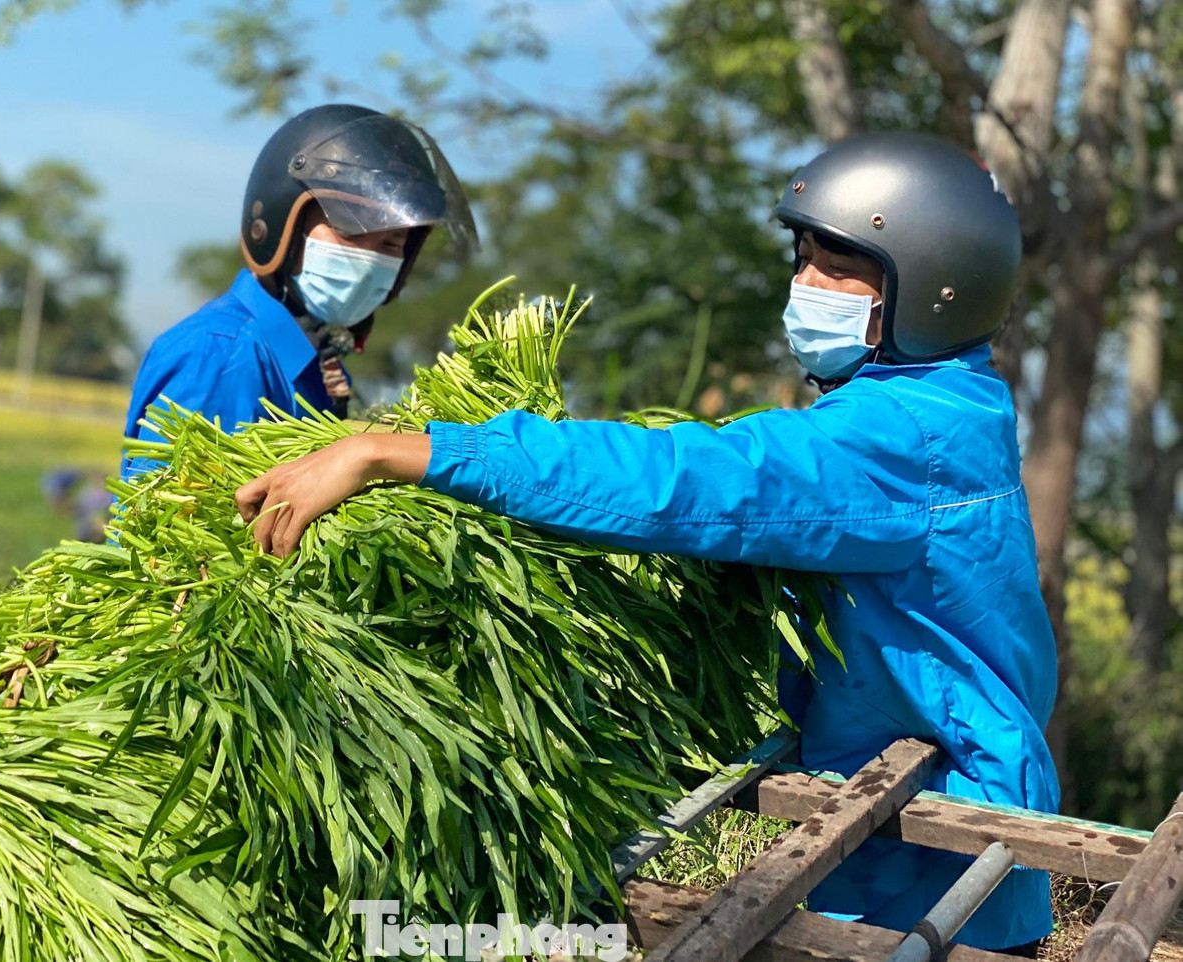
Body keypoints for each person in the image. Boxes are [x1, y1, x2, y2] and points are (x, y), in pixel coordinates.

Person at [232, 132, 1060, 951]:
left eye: (841, 268)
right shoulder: (948, 406)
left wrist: (416, 452)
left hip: (937, 873)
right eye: (803, 256)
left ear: (939, 289)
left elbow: (693, 479)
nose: (807, 284)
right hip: (907, 838)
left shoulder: (902, 441)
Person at [121, 103, 477, 479]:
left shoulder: (315, 365)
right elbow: (176, 523)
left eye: (391, 244)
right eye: (352, 231)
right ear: (281, 227)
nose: (371, 259)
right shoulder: (220, 356)